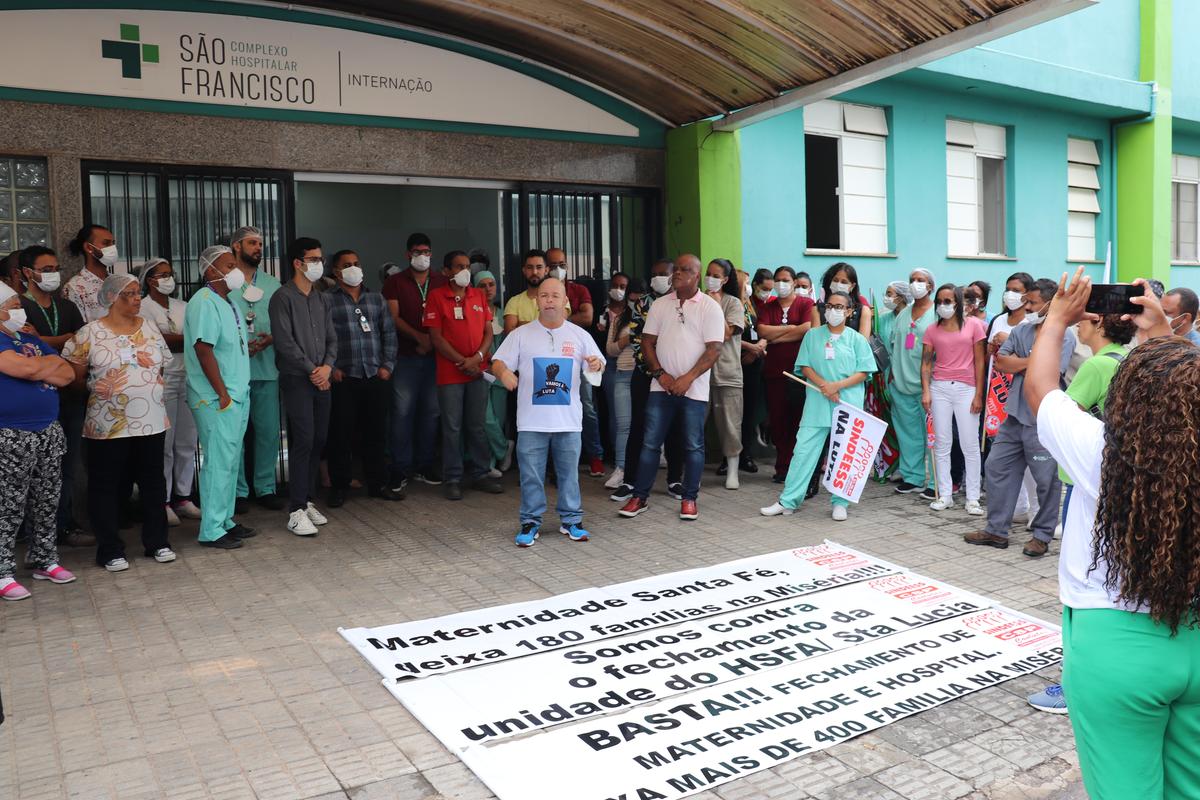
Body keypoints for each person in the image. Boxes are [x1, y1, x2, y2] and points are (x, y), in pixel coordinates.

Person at [1023, 269, 1197, 799]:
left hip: (1117, 648)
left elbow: (1040, 389)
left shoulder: (1104, 452)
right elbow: (1182, 390)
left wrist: (1056, 319)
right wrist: (1167, 335)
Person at [1026, 308, 1135, 716]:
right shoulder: (1130, 362)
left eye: (1084, 321)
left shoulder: (1095, 367)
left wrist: (1054, 319)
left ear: (1100, 325)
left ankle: (1074, 685)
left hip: (1092, 477)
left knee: (1087, 568)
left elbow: (1047, 399)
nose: (1078, 326)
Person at [62, 273, 175, 570]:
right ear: (112, 297)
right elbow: (73, 374)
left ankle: (158, 542)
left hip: (150, 419)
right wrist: (94, 389)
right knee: (106, 485)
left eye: (139, 293)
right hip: (107, 424)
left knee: (153, 483)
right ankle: (110, 549)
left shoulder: (149, 327)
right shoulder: (90, 333)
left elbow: (163, 363)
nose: (138, 299)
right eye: (131, 294)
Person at [491, 278, 604, 546]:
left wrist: (596, 364)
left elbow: (597, 370)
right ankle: (530, 522)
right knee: (531, 476)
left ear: (566, 301)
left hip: (568, 422)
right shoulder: (520, 334)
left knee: (569, 475)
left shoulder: (580, 336)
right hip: (531, 423)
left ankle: (572, 520)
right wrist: (504, 372)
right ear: (536, 301)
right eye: (544, 295)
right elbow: (497, 361)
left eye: (555, 295)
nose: (549, 300)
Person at [966, 278, 1075, 556]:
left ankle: (1042, 535)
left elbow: (1053, 372)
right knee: (996, 467)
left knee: (1046, 480)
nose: (1026, 307)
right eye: (1025, 301)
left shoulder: (1064, 335)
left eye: (1032, 303)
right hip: (1013, 416)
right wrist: (1035, 360)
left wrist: (1023, 363)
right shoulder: (1023, 330)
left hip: (1043, 420)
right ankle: (996, 530)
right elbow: (1001, 362)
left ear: (1050, 304)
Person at [618, 254, 724, 521]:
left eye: (684, 270)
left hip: (694, 390)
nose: (677, 273)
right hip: (660, 387)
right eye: (675, 269)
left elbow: (714, 350)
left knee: (693, 446)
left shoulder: (710, 307)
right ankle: (639, 497)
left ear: (696, 276)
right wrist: (660, 375)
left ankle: (689, 499)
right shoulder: (660, 305)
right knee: (650, 444)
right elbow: (646, 342)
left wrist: (687, 378)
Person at [760, 291, 877, 521]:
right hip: (817, 402)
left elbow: (864, 372)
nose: (834, 311)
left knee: (844, 455)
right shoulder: (812, 336)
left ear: (850, 311)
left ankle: (840, 502)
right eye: (830, 306)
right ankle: (788, 500)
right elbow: (804, 366)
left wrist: (837, 386)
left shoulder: (857, 339)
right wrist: (824, 384)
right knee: (803, 451)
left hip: (847, 403)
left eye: (840, 307)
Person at [0, 282, 77, 600]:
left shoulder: (27, 337)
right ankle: (3, 570)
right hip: (11, 433)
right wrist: (42, 369)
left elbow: (68, 373)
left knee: (46, 500)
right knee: (8, 505)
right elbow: (26, 368)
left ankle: (44, 558)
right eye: (13, 304)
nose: (20, 310)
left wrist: (38, 369)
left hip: (47, 430)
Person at [19, 245, 92, 547]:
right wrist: (62, 340)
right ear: (27, 273)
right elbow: (23, 345)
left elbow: (81, 342)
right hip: (34, 400)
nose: (53, 274)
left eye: (54, 268)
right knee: (30, 469)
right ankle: (29, 529)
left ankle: (63, 524)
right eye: (46, 269)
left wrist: (45, 340)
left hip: (70, 394)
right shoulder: (17, 308)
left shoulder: (67, 307)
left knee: (67, 466)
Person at [183, 246, 255, 550]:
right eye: (228, 265)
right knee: (218, 462)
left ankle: (225, 520)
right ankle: (211, 529)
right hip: (216, 397)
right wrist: (223, 394)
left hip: (237, 393)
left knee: (230, 461)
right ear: (211, 271)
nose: (235, 269)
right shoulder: (204, 301)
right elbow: (203, 348)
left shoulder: (230, 302)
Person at [324, 249, 403, 507]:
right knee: (340, 434)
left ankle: (377, 483)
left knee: (377, 433)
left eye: (356, 263)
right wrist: (331, 367)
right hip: (343, 377)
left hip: (374, 375)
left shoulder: (375, 298)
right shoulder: (326, 300)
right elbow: (321, 337)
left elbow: (389, 333)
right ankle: (339, 486)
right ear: (336, 272)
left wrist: (387, 366)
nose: (353, 268)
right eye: (347, 265)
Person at [269, 237, 337, 536]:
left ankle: (308, 499)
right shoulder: (282, 297)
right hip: (298, 379)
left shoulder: (322, 297)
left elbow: (333, 338)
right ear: (298, 263)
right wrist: (312, 370)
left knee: (319, 439)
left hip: (322, 378)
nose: (318, 265)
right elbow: (284, 343)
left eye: (320, 259)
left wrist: (327, 367)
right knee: (304, 439)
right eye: (313, 259)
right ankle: (296, 509)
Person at [424, 250, 503, 499]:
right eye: (459, 266)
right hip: (451, 373)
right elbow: (436, 338)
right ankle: (453, 477)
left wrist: (477, 358)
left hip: (477, 371)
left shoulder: (478, 294)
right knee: (452, 427)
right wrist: (463, 361)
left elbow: (488, 332)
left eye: (467, 266)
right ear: (447, 271)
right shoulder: (437, 297)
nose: (465, 271)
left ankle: (481, 473)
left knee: (477, 425)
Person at [609, 258, 684, 503]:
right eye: (654, 274)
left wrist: (671, 371)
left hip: (676, 375)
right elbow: (639, 339)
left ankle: (675, 480)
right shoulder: (642, 303)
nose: (658, 278)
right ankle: (630, 481)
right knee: (638, 427)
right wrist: (656, 371)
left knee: (674, 427)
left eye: (663, 273)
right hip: (646, 373)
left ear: (675, 275)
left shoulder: (686, 303)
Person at [137, 259, 201, 527]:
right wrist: (185, 339)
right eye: (162, 275)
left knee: (187, 440)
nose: (168, 279)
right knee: (165, 444)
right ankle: (162, 501)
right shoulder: (142, 307)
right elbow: (155, 340)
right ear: (150, 280)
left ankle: (183, 496)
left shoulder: (182, 306)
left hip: (188, 376)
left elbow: (193, 336)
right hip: (160, 379)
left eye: (170, 274)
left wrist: (178, 339)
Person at [227, 226, 286, 513]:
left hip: (267, 367)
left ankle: (265, 487)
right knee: (235, 433)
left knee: (267, 432)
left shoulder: (273, 284)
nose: (258, 248)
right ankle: (237, 492)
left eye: (260, 244)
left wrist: (271, 339)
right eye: (252, 243)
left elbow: (285, 322)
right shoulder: (225, 282)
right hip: (233, 371)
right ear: (236, 247)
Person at [383, 232, 444, 490]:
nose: (423, 256)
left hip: (436, 357)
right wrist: (419, 337)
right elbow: (392, 317)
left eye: (427, 252)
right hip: (405, 356)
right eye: (418, 252)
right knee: (402, 413)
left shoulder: (441, 280)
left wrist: (431, 340)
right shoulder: (395, 282)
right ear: (409, 254)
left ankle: (425, 464)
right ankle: (400, 468)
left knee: (431, 413)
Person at [920, 284, 986, 514]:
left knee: (970, 445)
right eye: (940, 301)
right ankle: (945, 494)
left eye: (948, 301)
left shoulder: (974, 325)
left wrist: (979, 393)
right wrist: (926, 391)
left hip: (966, 389)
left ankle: (973, 498)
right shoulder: (931, 330)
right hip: (939, 389)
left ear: (958, 302)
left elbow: (980, 361)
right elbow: (926, 362)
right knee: (942, 443)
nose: (943, 305)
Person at [547, 246, 603, 476]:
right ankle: (556, 463)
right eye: (552, 265)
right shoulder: (545, 291)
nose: (558, 269)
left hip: (577, 356)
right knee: (554, 408)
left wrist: (561, 320)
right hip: (551, 360)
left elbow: (588, 317)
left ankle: (595, 455)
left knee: (587, 407)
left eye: (562, 264)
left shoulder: (578, 289)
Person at [756, 266, 815, 483]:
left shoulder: (806, 304)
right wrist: (793, 328)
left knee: (799, 421)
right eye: (777, 279)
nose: (781, 284)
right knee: (779, 422)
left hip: (801, 373)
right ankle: (783, 468)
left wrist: (776, 337)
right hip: (774, 373)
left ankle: (801, 470)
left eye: (785, 280)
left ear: (793, 282)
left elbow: (808, 327)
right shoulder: (768, 305)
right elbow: (762, 331)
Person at [888, 267, 937, 497]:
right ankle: (912, 477)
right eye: (912, 280)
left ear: (930, 287)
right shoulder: (903, 314)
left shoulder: (937, 314)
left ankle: (936, 481)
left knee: (934, 436)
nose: (915, 283)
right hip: (901, 384)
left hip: (929, 386)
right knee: (908, 435)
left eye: (921, 280)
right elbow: (894, 345)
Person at [704, 258, 746, 490]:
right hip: (699, 373)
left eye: (716, 275)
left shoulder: (732, 303)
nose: (710, 279)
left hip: (728, 373)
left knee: (730, 425)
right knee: (694, 423)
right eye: (708, 274)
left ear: (726, 280)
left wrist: (714, 306)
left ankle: (732, 470)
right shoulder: (697, 300)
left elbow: (725, 334)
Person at [598, 271, 634, 490]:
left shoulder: (653, 315)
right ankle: (620, 467)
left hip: (645, 377)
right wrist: (627, 339)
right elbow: (610, 349)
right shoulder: (620, 320)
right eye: (617, 286)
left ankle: (640, 466)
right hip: (620, 373)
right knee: (622, 423)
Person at [474, 270, 512, 473]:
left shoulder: (503, 313)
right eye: (482, 285)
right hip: (479, 372)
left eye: (491, 284)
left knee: (498, 418)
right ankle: (503, 449)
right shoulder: (472, 311)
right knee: (485, 419)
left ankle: (491, 464)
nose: (488, 289)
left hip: (499, 372)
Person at [733, 269, 765, 476]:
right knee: (733, 414)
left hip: (753, 365)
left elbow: (762, 330)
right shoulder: (730, 303)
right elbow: (727, 335)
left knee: (749, 413)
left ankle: (747, 454)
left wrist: (759, 346)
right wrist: (750, 348)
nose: (747, 287)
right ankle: (731, 458)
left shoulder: (749, 304)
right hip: (735, 364)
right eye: (744, 283)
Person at [63, 224, 118, 323]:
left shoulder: (118, 281)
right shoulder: (74, 287)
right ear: (89, 247)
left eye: (113, 243)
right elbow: (79, 329)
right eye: (106, 243)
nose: (112, 248)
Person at [812, 262, 872, 337]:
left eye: (844, 282)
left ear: (852, 286)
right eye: (835, 280)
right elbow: (814, 339)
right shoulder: (817, 309)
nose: (838, 284)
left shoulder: (863, 311)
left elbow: (863, 343)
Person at [878, 280, 912, 356]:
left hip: (905, 364)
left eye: (889, 295)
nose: (885, 298)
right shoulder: (883, 319)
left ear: (900, 298)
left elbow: (910, 347)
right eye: (885, 294)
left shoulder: (912, 319)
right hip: (886, 365)